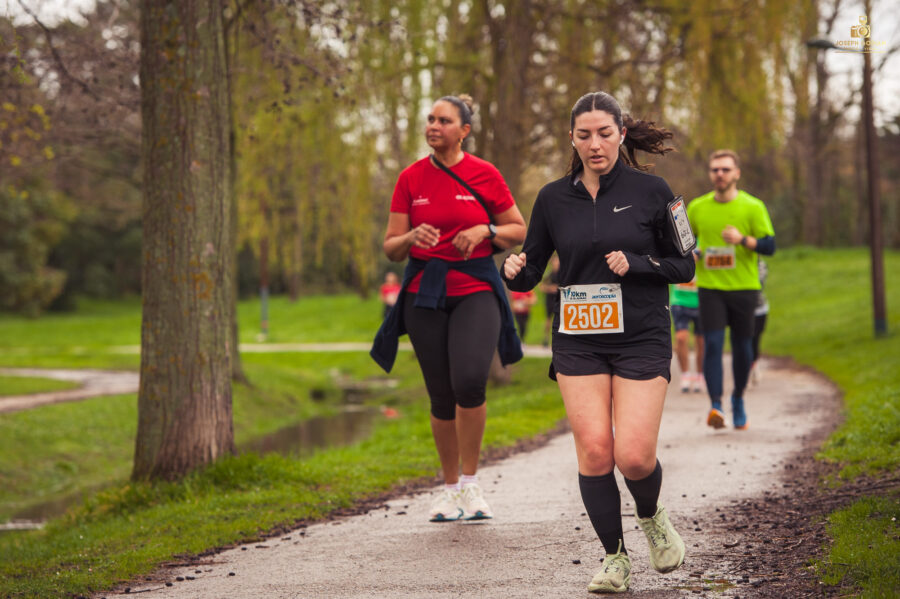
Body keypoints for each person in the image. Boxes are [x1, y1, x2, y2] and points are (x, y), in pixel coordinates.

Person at [503, 91, 693, 594]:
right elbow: (533, 268)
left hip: (641, 335)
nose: (595, 144)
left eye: (605, 134)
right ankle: (615, 558)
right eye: (584, 135)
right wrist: (513, 271)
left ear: (621, 134)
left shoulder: (654, 191)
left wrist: (640, 264)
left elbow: (685, 264)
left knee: (634, 457)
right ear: (572, 138)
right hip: (579, 338)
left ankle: (651, 516)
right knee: (594, 452)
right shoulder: (552, 198)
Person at [370, 94, 527, 522]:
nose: (433, 126)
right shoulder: (410, 178)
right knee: (440, 394)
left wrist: (485, 230)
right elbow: (391, 248)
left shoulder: (485, 173)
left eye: (444, 120)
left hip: (475, 287)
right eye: (430, 119)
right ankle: (450, 488)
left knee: (470, 382)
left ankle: (472, 485)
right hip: (425, 292)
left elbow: (517, 229)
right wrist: (410, 237)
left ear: (464, 131)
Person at [687, 150, 775, 430]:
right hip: (710, 288)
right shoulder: (697, 208)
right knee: (712, 344)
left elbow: (770, 246)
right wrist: (693, 253)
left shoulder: (753, 206)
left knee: (742, 347)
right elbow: (685, 242)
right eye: (715, 169)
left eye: (725, 169)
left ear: (737, 173)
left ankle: (738, 398)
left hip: (744, 287)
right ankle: (716, 405)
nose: (720, 174)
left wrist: (743, 240)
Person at [670, 274, 704, 393]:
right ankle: (685, 374)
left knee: (701, 341)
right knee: (681, 338)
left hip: (701, 300)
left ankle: (700, 374)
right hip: (680, 300)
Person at [749, 258, 769, 386]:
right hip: (741, 309)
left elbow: (758, 285)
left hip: (759, 309)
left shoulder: (761, 265)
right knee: (743, 340)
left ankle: (754, 366)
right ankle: (747, 369)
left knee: (755, 340)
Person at [539, 254, 560, 346]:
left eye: (557, 261)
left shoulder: (562, 274)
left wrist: (558, 289)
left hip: (560, 300)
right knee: (548, 319)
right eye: (555, 261)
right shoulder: (549, 275)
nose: (556, 263)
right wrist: (550, 288)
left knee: (559, 319)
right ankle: (546, 338)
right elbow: (541, 287)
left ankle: (558, 338)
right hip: (549, 300)